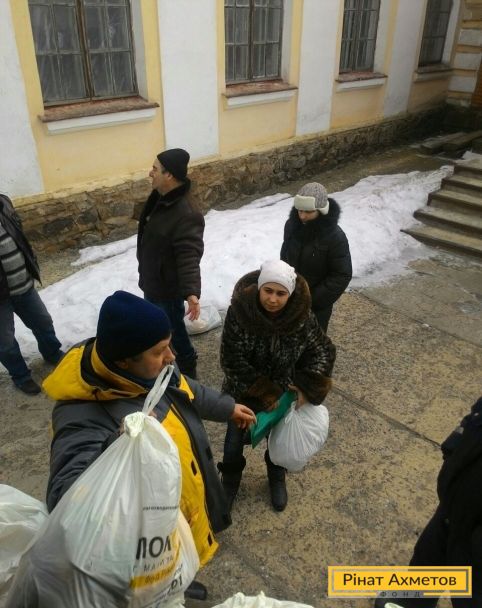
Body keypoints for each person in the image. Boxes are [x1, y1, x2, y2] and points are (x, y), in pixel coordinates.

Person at [43, 290, 256, 598]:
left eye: (169, 344)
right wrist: (119, 444)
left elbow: (185, 388)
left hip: (185, 502)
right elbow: (64, 497)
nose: (171, 357)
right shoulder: (81, 412)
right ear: (124, 361)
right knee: (160, 569)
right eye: (159, 351)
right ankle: (169, 586)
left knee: (184, 553)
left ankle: (181, 575)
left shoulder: (152, 369)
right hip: (151, 525)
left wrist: (227, 408)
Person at [217, 259, 336, 512]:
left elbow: (322, 351)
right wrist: (264, 394)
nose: (273, 299)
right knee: (233, 444)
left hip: (283, 394)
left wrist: (306, 386)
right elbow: (231, 359)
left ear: (289, 295)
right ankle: (230, 480)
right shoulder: (239, 313)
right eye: (268, 291)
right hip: (243, 392)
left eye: (281, 293)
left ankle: (276, 475)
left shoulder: (301, 318)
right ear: (259, 288)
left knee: (279, 440)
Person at [374, 396, 482, 608]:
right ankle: (415, 600)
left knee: (472, 593)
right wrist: (457, 441)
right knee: (430, 554)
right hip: (455, 501)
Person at [137, 148, 203, 379]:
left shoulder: (187, 213)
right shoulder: (161, 196)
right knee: (162, 329)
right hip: (153, 281)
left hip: (167, 289)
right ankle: (166, 364)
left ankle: (188, 371)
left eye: (155, 169)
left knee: (174, 333)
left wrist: (191, 292)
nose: (150, 173)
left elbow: (189, 254)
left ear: (169, 175)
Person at [0, 193, 63, 395]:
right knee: (5, 342)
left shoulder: (3, 202)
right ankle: (21, 376)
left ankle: (52, 353)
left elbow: (19, 237)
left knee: (43, 322)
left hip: (24, 285)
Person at [280, 182, 352, 332]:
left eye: (308, 211)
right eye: (300, 210)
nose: (302, 216)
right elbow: (285, 255)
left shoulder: (335, 237)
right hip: (290, 297)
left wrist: (310, 299)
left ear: (321, 210)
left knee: (313, 340)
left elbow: (341, 275)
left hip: (316, 305)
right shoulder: (291, 225)